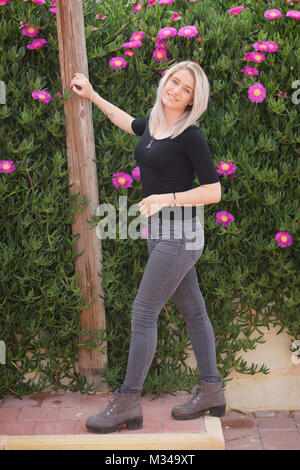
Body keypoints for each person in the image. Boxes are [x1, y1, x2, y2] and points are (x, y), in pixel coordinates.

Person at [69, 61, 226, 434]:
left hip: (180, 236)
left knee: (142, 314)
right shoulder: (155, 125)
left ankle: (126, 403)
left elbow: (214, 191)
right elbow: (128, 122)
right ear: (165, 80)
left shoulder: (190, 135)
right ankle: (211, 391)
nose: (176, 89)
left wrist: (167, 198)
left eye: (186, 89)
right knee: (194, 311)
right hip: (161, 235)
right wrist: (92, 96)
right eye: (175, 81)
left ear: (192, 100)